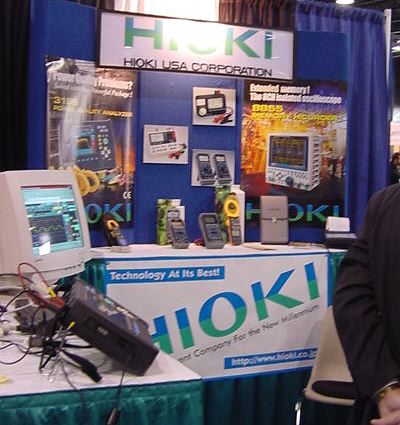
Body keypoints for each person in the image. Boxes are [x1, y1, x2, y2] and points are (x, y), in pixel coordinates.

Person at [333, 184, 400, 425]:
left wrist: (385, 385)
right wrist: (385, 386)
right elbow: (353, 297)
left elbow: (351, 297)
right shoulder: (385, 205)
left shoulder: (386, 203)